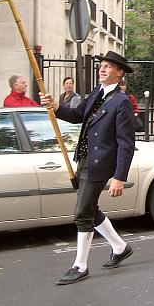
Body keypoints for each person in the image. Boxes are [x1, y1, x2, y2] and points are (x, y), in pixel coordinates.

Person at [39, 51, 135, 285]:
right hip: (84, 160)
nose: (102, 69)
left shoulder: (121, 102)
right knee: (90, 209)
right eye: (101, 65)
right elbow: (77, 115)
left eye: (108, 67)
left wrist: (119, 177)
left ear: (119, 72)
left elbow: (126, 144)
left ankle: (80, 266)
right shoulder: (97, 93)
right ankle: (120, 247)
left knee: (82, 213)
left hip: (100, 165)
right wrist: (55, 106)